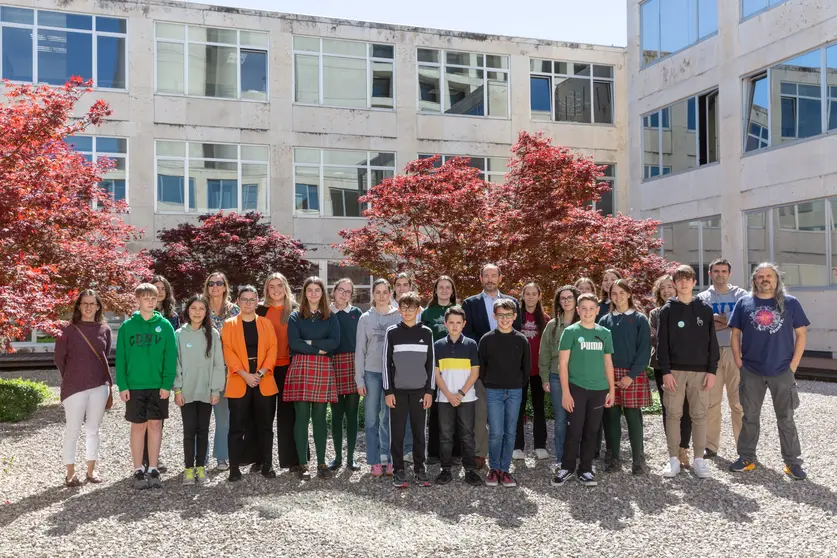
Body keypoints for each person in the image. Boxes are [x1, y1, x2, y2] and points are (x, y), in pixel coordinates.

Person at [728, 263, 809, 480]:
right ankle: (746, 458)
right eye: (760, 276)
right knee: (750, 418)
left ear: (776, 279)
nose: (765, 279)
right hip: (751, 370)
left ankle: (792, 463)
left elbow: (801, 334)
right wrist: (738, 361)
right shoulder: (744, 303)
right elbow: (735, 334)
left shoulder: (791, 303)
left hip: (782, 370)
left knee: (786, 418)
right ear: (754, 280)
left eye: (769, 276)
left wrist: (793, 366)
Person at [657, 265, 718, 479]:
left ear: (694, 282)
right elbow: (662, 343)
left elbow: (713, 343)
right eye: (679, 279)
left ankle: (699, 460)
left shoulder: (705, 309)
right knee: (673, 415)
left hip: (700, 372)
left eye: (688, 279)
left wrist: (712, 371)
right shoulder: (667, 310)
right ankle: (673, 458)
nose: (683, 283)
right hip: (674, 371)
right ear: (674, 283)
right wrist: (665, 371)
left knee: (699, 415)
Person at [116, 283, 177, 490]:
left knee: (155, 425)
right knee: (138, 426)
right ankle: (138, 470)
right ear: (138, 300)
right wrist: (122, 385)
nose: (150, 301)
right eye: (146, 298)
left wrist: (167, 384)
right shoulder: (127, 327)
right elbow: (121, 359)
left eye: (153, 298)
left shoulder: (166, 326)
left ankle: (152, 467)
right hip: (134, 386)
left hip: (158, 386)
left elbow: (170, 358)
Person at [462, 263, 522, 470]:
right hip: (480, 368)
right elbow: (467, 335)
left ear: (499, 278)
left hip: (507, 371)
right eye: (485, 275)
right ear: (480, 279)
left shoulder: (512, 302)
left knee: (506, 417)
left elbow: (518, 335)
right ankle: (480, 453)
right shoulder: (469, 304)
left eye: (493, 275)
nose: (489, 279)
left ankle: (504, 457)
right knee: (480, 413)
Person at [551, 294, 615, 487]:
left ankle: (585, 469)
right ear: (578, 310)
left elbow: (608, 363)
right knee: (574, 430)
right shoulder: (570, 332)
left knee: (592, 431)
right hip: (576, 388)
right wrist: (566, 392)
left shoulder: (605, 333)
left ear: (597, 310)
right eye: (583, 308)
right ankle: (567, 467)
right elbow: (562, 365)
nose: (587, 312)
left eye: (591, 308)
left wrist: (611, 390)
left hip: (599, 389)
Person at [54, 290, 113, 487]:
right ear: (79, 306)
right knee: (72, 429)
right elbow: (59, 359)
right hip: (74, 387)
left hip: (99, 385)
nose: (88, 307)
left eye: (92, 303)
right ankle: (70, 472)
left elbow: (104, 354)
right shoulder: (67, 331)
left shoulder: (104, 329)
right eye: (84, 303)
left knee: (93, 430)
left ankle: (91, 469)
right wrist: (72, 375)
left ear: (98, 307)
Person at [221, 285, 279, 482]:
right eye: (244, 299)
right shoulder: (229, 325)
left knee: (265, 426)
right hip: (239, 379)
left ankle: (267, 464)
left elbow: (273, 349)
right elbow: (228, 352)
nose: (248, 303)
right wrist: (245, 375)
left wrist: (260, 373)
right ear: (238, 301)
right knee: (237, 426)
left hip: (264, 379)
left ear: (257, 302)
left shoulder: (265, 323)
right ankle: (234, 468)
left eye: (252, 299)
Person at [285, 277, 340, 480]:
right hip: (301, 368)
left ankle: (322, 463)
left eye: (318, 290)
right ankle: (302, 463)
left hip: (323, 370)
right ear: (305, 293)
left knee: (319, 418)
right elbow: (294, 343)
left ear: (322, 293)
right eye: (310, 290)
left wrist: (308, 341)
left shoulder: (330, 317)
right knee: (301, 418)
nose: (314, 293)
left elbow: (334, 342)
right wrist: (319, 348)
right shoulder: (295, 316)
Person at [598, 279, 652, 475]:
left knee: (633, 418)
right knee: (611, 417)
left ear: (629, 294)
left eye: (622, 293)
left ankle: (638, 460)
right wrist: (606, 375)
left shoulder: (639, 319)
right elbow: (601, 351)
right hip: (610, 374)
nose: (618, 297)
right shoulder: (605, 320)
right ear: (610, 296)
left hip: (632, 375)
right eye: (614, 293)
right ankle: (614, 459)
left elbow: (644, 350)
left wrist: (630, 375)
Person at [697, 258, 748, 459]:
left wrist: (719, 320)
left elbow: (743, 322)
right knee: (711, 402)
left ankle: (744, 447)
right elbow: (702, 325)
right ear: (710, 274)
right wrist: (729, 321)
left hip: (737, 352)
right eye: (716, 271)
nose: (720, 274)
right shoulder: (702, 297)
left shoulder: (741, 295)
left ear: (729, 273)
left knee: (738, 403)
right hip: (712, 354)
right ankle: (710, 446)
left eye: (723, 271)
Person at [384, 291, 434, 488]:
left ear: (418, 310)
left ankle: (420, 469)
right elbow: (386, 364)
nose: (407, 311)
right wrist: (388, 391)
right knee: (396, 433)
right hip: (397, 392)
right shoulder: (392, 332)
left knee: (419, 433)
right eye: (404, 308)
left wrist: (429, 391)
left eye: (412, 308)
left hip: (420, 392)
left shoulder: (426, 333)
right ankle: (398, 469)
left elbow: (431, 364)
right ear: (399, 310)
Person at [173, 295, 225, 486]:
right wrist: (177, 390)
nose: (197, 312)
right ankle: (188, 469)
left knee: (203, 430)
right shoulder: (179, 334)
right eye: (193, 308)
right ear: (187, 310)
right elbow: (175, 363)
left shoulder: (213, 334)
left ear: (206, 312)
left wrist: (215, 390)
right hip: (186, 392)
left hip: (206, 392)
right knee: (189, 431)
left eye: (201, 309)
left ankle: (201, 467)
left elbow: (218, 364)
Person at [479, 298, 530, 488]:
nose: (505, 319)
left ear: (515, 316)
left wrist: (516, 384)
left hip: (515, 390)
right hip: (494, 390)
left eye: (509, 315)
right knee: (496, 432)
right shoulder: (487, 339)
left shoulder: (521, 339)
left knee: (510, 432)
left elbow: (525, 368)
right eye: (501, 315)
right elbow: (482, 367)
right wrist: (491, 383)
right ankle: (494, 469)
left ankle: (505, 469)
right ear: (495, 316)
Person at [355, 279, 402, 477]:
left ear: (390, 294)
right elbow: (359, 350)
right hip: (372, 373)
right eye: (378, 292)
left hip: (392, 374)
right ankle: (374, 461)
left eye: (385, 292)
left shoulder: (399, 316)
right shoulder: (366, 318)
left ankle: (390, 459)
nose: (382, 296)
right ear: (373, 294)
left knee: (390, 419)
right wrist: (359, 379)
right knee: (372, 418)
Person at [256, 272, 302, 473]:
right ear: (266, 289)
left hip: (289, 367)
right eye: (271, 286)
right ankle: (261, 460)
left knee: (288, 416)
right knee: (263, 415)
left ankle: (292, 461)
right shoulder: (260, 310)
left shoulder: (296, 310)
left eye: (279, 286)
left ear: (285, 287)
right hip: (266, 369)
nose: (275, 290)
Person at [433, 306, 483, 487]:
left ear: (464, 324)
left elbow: (475, 372)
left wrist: (460, 394)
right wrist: (448, 395)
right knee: (445, 435)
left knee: (467, 435)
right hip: (445, 398)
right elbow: (436, 374)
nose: (454, 326)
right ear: (446, 324)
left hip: (466, 398)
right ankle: (445, 469)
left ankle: (470, 470)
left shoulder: (471, 344)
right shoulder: (438, 345)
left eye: (458, 323)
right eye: (451, 323)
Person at [649, 274, 693, 469]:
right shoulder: (655, 313)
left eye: (670, 286)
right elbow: (654, 338)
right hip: (662, 367)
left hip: (687, 366)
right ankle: (673, 451)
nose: (667, 290)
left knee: (686, 408)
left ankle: (684, 448)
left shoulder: (690, 309)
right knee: (668, 409)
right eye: (663, 288)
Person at [419, 275, 460, 464]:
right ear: (435, 291)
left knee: (456, 406)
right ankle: (434, 453)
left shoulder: (459, 311)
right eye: (440, 287)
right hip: (434, 365)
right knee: (435, 407)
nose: (444, 290)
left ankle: (457, 452)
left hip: (456, 365)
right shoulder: (427, 313)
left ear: (452, 291)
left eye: (448, 287)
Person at [142, 274, 179, 473]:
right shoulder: (141, 316)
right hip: (145, 372)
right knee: (143, 419)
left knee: (157, 419)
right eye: (155, 288)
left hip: (164, 372)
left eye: (162, 288)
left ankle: (154, 456)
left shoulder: (173, 317)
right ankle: (143, 458)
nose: (159, 291)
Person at [540, 285, 579, 470]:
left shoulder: (586, 322)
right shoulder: (553, 325)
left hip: (580, 378)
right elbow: (545, 353)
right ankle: (561, 459)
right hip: (556, 377)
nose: (566, 301)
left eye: (570, 297)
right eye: (562, 298)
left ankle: (579, 459)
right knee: (561, 419)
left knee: (579, 419)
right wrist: (545, 378)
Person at [204, 272, 240, 471]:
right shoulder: (200, 308)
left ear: (225, 286)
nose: (215, 287)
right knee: (200, 418)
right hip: (203, 370)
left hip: (227, 370)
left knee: (223, 417)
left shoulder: (234, 311)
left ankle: (221, 456)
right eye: (211, 283)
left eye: (219, 283)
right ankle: (200, 458)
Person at [329, 278, 363, 471]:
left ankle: (351, 458)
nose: (344, 294)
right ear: (334, 291)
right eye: (341, 290)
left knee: (351, 413)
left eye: (348, 291)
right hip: (332, 365)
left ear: (352, 295)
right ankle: (338, 457)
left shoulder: (357, 313)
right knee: (336, 415)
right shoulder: (326, 312)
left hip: (352, 365)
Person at [513, 282, 549, 461]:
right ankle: (517, 446)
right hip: (520, 370)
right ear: (523, 296)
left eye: (534, 293)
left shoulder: (545, 319)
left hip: (539, 371)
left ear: (539, 296)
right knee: (518, 408)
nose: (531, 297)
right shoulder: (516, 317)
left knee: (539, 408)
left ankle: (540, 445)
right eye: (527, 293)